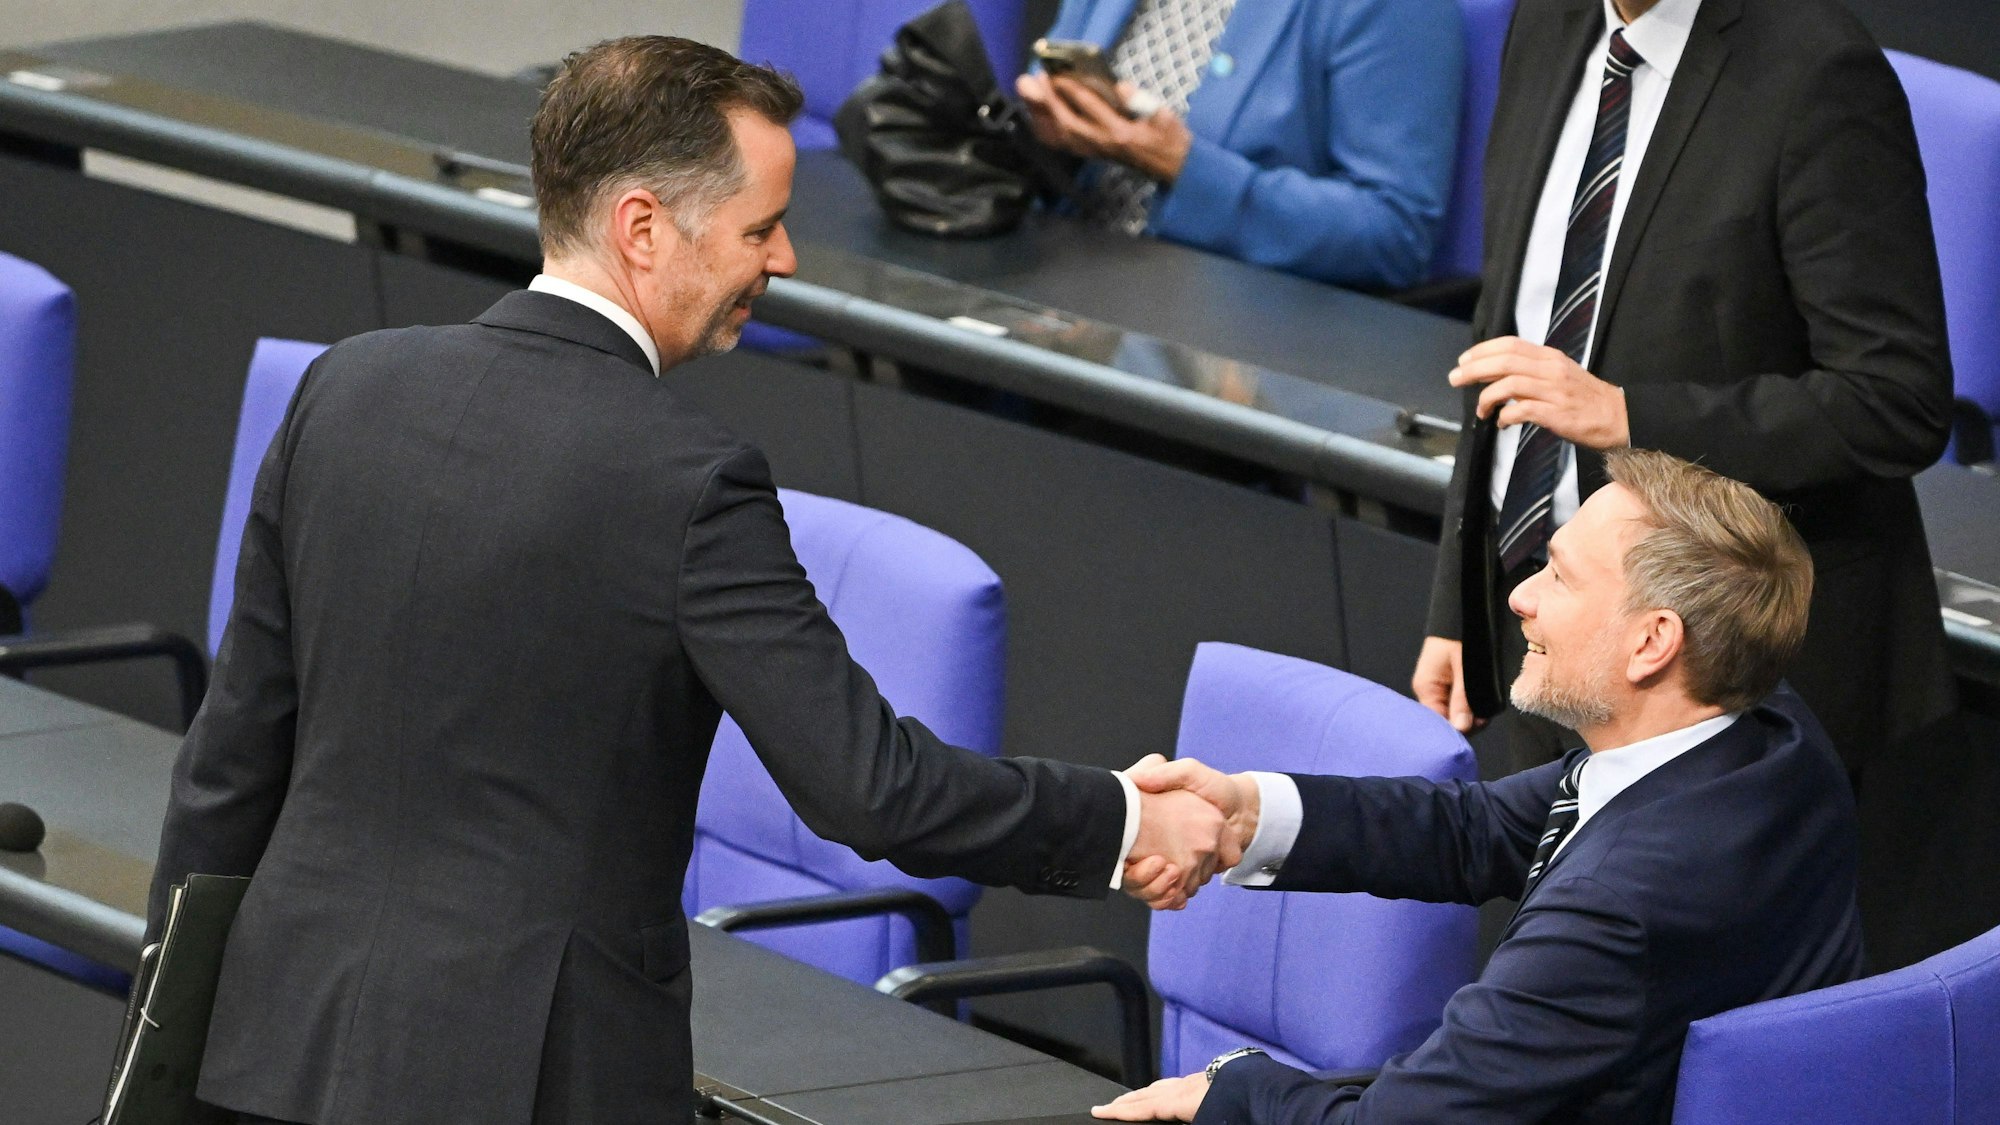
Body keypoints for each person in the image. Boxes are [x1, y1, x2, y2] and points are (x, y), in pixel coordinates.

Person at [144, 37, 1231, 1125]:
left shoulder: (346, 390)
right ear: (642, 227)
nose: (786, 259)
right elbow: (873, 787)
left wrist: (160, 1040)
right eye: (759, 228)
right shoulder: (685, 481)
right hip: (534, 1085)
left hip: (272, 1052)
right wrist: (1124, 816)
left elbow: (228, 767)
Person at [1098, 448, 1865, 1124]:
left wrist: (1232, 1084)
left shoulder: (1619, 908)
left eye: (1558, 576)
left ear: (1652, 641)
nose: (1519, 597)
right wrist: (1247, 817)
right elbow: (1479, 829)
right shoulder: (1770, 735)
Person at [1413, 0, 1955, 789]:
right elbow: (1511, 339)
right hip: (1556, 632)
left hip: (1735, 683)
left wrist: (1629, 418)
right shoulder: (1547, 22)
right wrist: (1463, 603)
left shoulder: (1817, 72)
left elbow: (1893, 400)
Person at [1013, 0, 1464, 289]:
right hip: (1062, 277)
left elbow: (1395, 234)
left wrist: (1185, 167)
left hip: (1227, 333)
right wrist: (1053, 134)